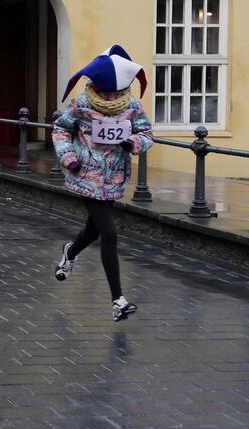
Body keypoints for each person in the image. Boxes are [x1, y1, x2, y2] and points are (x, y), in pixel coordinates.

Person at [52, 44, 153, 322]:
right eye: (105, 92)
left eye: (115, 93)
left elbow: (146, 134)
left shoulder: (132, 106)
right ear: (94, 86)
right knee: (110, 233)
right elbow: (61, 129)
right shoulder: (81, 103)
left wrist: (132, 142)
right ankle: (118, 300)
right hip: (85, 176)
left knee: (94, 232)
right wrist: (68, 156)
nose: (110, 97)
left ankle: (70, 251)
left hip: (115, 178)